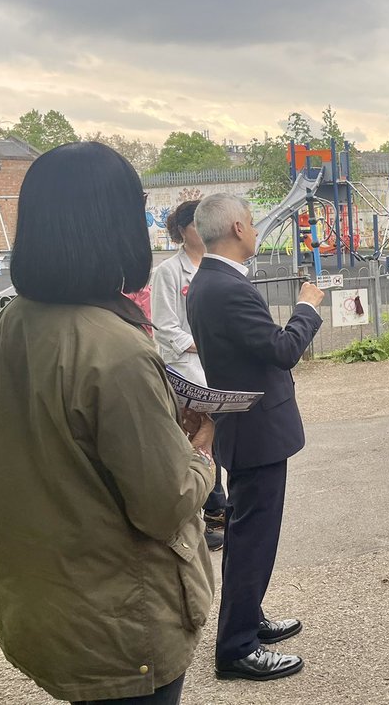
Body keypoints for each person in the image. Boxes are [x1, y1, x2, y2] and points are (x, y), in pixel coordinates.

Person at [0, 142, 215, 704]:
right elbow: (164, 501)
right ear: (115, 225)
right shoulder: (114, 348)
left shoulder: (6, 329)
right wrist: (200, 451)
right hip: (123, 625)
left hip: (47, 604)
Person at [187, 193, 325, 683]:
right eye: (251, 222)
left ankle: (248, 618)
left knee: (250, 533)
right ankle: (237, 647)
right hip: (255, 429)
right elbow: (282, 350)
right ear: (240, 228)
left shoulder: (210, 281)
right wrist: (307, 308)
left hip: (246, 425)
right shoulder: (226, 287)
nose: (255, 229)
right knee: (252, 539)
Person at [152, 199, 227, 552]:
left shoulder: (218, 267)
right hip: (187, 367)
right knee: (200, 438)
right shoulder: (168, 272)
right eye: (196, 225)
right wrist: (206, 345)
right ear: (183, 230)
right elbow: (166, 327)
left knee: (225, 438)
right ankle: (209, 516)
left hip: (218, 367)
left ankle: (223, 511)